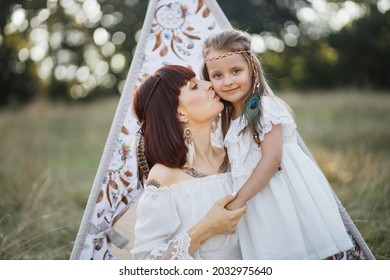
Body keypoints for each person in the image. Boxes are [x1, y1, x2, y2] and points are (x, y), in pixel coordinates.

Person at [201, 29, 357, 259]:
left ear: (252, 69)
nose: (228, 81)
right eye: (217, 75)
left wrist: (237, 202)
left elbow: (272, 160)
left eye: (236, 71)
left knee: (296, 250)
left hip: (281, 196)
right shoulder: (224, 120)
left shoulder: (265, 107)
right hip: (256, 204)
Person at [130, 65, 247, 260]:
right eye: (194, 86)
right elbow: (144, 261)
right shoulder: (164, 177)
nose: (210, 84)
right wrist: (205, 229)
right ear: (179, 113)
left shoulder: (236, 154)